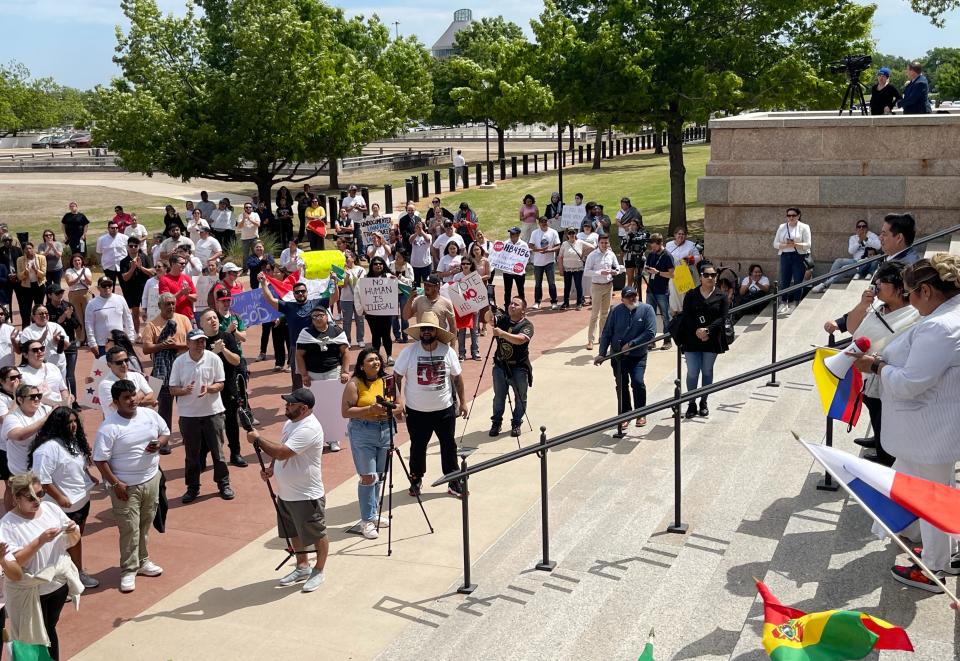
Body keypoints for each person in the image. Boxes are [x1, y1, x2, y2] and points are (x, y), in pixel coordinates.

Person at [852, 254, 960, 593]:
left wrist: (877, 368)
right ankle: (948, 550)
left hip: (929, 430)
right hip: (935, 428)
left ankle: (934, 567)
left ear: (926, 291)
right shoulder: (949, 317)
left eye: (912, 293)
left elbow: (912, 382)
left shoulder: (938, 327)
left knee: (929, 498)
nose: (910, 301)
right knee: (934, 492)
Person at [245, 388, 329, 593]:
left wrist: (258, 439)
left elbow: (283, 452)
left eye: (291, 404)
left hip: (307, 494)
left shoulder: (309, 428)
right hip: (286, 493)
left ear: (304, 408)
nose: (286, 405)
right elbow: (282, 448)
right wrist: (272, 469)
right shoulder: (291, 422)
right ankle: (302, 566)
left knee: (317, 533)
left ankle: (318, 570)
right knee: (293, 531)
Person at [93, 379, 168, 593]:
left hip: (151, 479)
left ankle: (143, 561)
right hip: (125, 487)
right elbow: (100, 459)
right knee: (129, 529)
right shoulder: (108, 428)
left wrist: (159, 444)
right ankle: (128, 570)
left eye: (133, 395)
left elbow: (165, 432)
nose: (132, 400)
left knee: (145, 524)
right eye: (126, 398)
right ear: (116, 402)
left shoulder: (149, 415)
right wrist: (115, 483)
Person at [840, 261, 919, 466]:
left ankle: (886, 458)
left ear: (899, 287)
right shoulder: (877, 306)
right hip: (868, 374)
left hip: (889, 376)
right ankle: (879, 442)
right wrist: (862, 305)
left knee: (885, 419)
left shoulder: (914, 314)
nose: (876, 285)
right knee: (876, 415)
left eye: (882, 281)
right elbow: (852, 327)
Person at [0, 471, 81, 660]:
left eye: (41, 494)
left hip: (57, 586)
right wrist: (41, 540)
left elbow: (71, 540)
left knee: (49, 628)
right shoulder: (7, 525)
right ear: (16, 497)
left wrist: (72, 529)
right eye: (31, 497)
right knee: (35, 636)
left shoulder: (51, 509)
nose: (38, 501)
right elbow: (14, 565)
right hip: (31, 592)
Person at [393, 312, 468, 498]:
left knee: (448, 445)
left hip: (445, 410)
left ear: (437, 331)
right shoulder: (409, 352)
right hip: (417, 412)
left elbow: (457, 378)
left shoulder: (447, 351)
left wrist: (463, 402)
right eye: (423, 329)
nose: (426, 332)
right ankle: (416, 479)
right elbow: (396, 376)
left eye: (430, 329)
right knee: (417, 447)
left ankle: (452, 480)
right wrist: (398, 401)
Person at [27, 406, 99, 588]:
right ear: (58, 425)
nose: (73, 426)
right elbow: (42, 479)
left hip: (81, 501)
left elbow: (78, 465)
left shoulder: (73, 441)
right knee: (58, 543)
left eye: (75, 422)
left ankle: (77, 573)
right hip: (61, 507)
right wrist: (59, 497)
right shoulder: (47, 449)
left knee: (75, 538)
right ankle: (60, 582)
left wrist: (88, 477)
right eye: (69, 423)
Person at [169, 328, 234, 502]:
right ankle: (192, 487)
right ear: (188, 343)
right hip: (188, 415)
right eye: (197, 341)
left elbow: (220, 383)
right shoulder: (179, 362)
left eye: (203, 341)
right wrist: (184, 391)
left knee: (218, 453)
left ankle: (224, 484)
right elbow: (172, 389)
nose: (201, 344)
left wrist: (209, 389)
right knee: (192, 454)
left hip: (213, 413)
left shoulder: (213, 359)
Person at [340, 349, 392, 539]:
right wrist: (370, 409)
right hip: (363, 431)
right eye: (370, 360)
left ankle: (374, 513)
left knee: (379, 475)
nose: (375, 362)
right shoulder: (354, 384)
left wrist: (390, 411)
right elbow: (345, 412)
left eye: (377, 359)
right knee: (368, 477)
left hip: (385, 430)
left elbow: (400, 405)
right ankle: (367, 520)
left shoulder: (388, 381)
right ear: (362, 365)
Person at [595, 286, 657, 432]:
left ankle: (640, 412)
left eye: (634, 295)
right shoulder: (615, 311)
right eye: (629, 297)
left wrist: (632, 344)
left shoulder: (647, 309)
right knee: (621, 385)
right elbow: (607, 333)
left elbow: (650, 332)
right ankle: (625, 414)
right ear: (622, 299)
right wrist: (602, 353)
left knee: (638, 382)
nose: (632, 298)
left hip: (638, 356)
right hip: (618, 357)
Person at [678, 262, 729, 419]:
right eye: (706, 275)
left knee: (707, 371)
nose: (710, 278)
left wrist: (707, 330)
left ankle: (703, 402)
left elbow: (722, 317)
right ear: (700, 277)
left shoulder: (722, 296)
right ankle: (691, 402)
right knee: (693, 371)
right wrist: (697, 330)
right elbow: (686, 316)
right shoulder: (691, 294)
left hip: (711, 339)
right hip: (691, 339)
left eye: (713, 275)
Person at [296, 305, 350, 452]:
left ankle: (334, 438)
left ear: (327, 316)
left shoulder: (337, 331)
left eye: (321, 315)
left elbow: (345, 353)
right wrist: (304, 374)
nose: (318, 319)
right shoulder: (306, 333)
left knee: (333, 406)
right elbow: (299, 355)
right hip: (313, 375)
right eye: (314, 317)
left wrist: (345, 371)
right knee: (314, 407)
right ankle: (316, 439)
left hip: (333, 372)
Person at [198, 308, 247, 467]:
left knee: (232, 422)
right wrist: (213, 352)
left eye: (214, 318)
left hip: (228, 388)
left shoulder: (227, 337)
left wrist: (223, 349)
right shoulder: (200, 342)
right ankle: (202, 457)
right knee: (207, 425)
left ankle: (235, 453)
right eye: (208, 319)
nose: (213, 321)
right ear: (201, 324)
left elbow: (236, 360)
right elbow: (198, 365)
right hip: (208, 390)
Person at [141, 293, 192, 438]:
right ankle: (164, 438)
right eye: (167, 304)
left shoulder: (184, 319)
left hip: (184, 369)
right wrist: (162, 345)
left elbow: (191, 342)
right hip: (163, 372)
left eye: (172, 303)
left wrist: (177, 345)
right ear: (159, 306)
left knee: (186, 405)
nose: (171, 307)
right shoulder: (152, 325)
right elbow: (146, 349)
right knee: (164, 407)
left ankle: (187, 435)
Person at [484, 297, 534, 438]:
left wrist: (502, 334)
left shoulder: (527, 325)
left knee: (520, 397)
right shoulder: (503, 320)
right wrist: (490, 309)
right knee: (498, 397)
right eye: (511, 303)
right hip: (500, 365)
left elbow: (520, 340)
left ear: (523, 310)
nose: (512, 306)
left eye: (516, 304)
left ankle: (516, 422)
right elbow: (488, 319)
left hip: (519, 367)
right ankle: (496, 422)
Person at [812, 220, 882, 293]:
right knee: (838, 261)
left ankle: (824, 284)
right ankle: (828, 281)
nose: (861, 228)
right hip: (856, 261)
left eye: (863, 226)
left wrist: (866, 239)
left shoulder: (872, 236)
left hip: (867, 263)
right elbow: (851, 251)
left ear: (867, 228)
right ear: (856, 229)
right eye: (859, 227)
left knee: (845, 268)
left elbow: (879, 246)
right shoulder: (853, 238)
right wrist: (859, 241)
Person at [583, 234, 624, 350]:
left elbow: (617, 267)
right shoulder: (592, 255)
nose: (604, 245)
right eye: (602, 243)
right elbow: (586, 271)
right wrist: (599, 272)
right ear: (598, 243)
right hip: (596, 286)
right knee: (594, 314)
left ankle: (602, 336)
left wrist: (615, 271)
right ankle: (590, 340)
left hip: (608, 285)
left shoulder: (611, 254)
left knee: (605, 314)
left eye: (606, 243)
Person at [2, 384, 53, 476]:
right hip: (21, 472)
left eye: (39, 396)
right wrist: (46, 419)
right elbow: (19, 435)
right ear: (20, 399)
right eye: (32, 397)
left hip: (43, 467)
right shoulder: (12, 418)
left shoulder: (45, 409)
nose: (37, 399)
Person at [772, 207, 812, 315]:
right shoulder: (782, 227)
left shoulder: (804, 227)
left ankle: (795, 303)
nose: (791, 218)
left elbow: (808, 244)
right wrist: (786, 245)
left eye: (793, 215)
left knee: (798, 281)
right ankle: (783, 303)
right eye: (788, 215)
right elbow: (775, 244)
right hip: (785, 255)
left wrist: (795, 244)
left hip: (798, 256)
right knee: (784, 280)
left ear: (798, 216)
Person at [84, 276, 135, 358]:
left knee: (122, 367)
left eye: (109, 285)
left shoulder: (120, 299)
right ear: (98, 288)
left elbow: (128, 318)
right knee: (104, 369)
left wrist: (131, 337)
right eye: (104, 286)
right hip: (102, 345)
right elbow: (88, 324)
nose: (107, 288)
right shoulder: (92, 304)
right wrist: (92, 343)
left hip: (120, 343)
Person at [97, 346, 156, 416]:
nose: (124, 364)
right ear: (109, 365)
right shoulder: (105, 385)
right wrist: (142, 393)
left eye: (126, 360)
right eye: (119, 362)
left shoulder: (137, 376)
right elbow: (121, 407)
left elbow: (151, 396)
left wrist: (129, 402)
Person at [643, 233, 675, 349]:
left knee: (665, 316)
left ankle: (667, 340)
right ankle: (651, 340)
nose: (652, 246)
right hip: (650, 289)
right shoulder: (651, 254)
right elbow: (647, 268)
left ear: (660, 243)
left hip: (662, 291)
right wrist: (648, 270)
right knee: (650, 315)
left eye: (653, 244)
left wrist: (658, 272)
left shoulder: (667, 256)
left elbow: (672, 274)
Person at [19, 305, 67, 382]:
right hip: (38, 368)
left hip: (59, 365)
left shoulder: (56, 326)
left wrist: (60, 340)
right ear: (33, 317)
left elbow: (67, 346)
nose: (44, 315)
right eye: (41, 314)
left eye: (46, 313)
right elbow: (25, 350)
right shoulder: (27, 331)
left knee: (60, 389)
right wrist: (41, 339)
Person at [364, 257, 398, 365]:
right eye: (375, 264)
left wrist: (395, 281)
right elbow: (361, 294)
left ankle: (389, 356)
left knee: (386, 334)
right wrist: (364, 308)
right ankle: (376, 356)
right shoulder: (366, 278)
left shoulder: (389, 277)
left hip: (386, 312)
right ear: (371, 266)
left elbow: (398, 289)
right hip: (372, 313)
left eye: (380, 263)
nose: (378, 265)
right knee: (375, 335)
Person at [118, 237, 154, 339]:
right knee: (135, 313)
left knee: (148, 312)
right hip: (132, 290)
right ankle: (137, 333)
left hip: (145, 288)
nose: (133, 248)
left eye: (135, 246)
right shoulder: (124, 261)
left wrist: (141, 267)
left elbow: (152, 272)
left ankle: (150, 334)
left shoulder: (145, 257)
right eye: (131, 246)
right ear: (127, 247)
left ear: (138, 247)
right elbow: (125, 277)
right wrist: (132, 268)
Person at [402, 275, 457, 342]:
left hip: (440, 341)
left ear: (437, 287)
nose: (426, 287)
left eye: (429, 285)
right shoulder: (418, 300)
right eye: (425, 284)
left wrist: (453, 345)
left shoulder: (446, 303)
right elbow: (405, 316)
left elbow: (453, 326)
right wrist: (410, 299)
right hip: (422, 340)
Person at [19, 339, 69, 407]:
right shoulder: (20, 373)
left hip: (59, 410)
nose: (39, 351)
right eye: (35, 350)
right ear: (25, 355)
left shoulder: (53, 367)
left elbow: (63, 389)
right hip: (37, 412)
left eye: (42, 348)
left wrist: (66, 400)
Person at [529, 216, 561, 310]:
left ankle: (554, 302)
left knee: (552, 283)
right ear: (539, 223)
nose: (544, 223)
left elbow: (558, 246)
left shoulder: (553, 232)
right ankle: (537, 302)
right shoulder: (535, 233)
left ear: (548, 222)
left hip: (549, 262)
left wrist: (549, 250)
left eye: (545, 221)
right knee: (538, 283)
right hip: (538, 262)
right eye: (542, 222)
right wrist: (539, 250)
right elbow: (530, 245)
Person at [337, 251, 366, 349]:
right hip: (346, 299)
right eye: (344, 257)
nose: (345, 259)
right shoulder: (341, 270)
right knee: (346, 321)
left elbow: (362, 284)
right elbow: (342, 285)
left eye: (347, 257)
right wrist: (346, 275)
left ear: (353, 258)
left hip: (359, 299)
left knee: (360, 320)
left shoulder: (361, 269)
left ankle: (360, 339)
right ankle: (347, 340)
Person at [15, 242, 47, 327]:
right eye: (26, 249)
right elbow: (19, 277)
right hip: (26, 287)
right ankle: (26, 330)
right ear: (23, 250)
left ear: (33, 248)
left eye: (30, 248)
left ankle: (39, 327)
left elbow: (43, 274)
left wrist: (36, 270)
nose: (28, 250)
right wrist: (26, 271)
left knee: (39, 308)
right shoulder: (20, 260)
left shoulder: (41, 258)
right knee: (26, 310)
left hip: (39, 286)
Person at [157, 255, 197, 321]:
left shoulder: (187, 278)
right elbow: (166, 300)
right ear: (173, 264)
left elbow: (195, 297)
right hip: (172, 318)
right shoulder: (164, 280)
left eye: (185, 263)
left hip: (188, 317)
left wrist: (187, 295)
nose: (184, 265)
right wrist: (181, 293)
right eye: (181, 263)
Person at [64, 254, 92, 345]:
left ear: (82, 261)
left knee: (87, 316)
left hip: (85, 293)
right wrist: (80, 276)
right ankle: (80, 338)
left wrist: (83, 275)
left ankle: (89, 338)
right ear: (72, 262)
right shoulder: (69, 271)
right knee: (77, 317)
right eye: (75, 261)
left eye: (79, 260)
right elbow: (70, 283)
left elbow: (89, 282)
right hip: (74, 294)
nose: (77, 262)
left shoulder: (86, 270)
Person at [96, 222, 128, 291]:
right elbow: (99, 253)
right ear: (108, 229)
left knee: (125, 287)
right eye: (112, 228)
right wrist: (102, 264)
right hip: (108, 267)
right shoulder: (101, 239)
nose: (115, 229)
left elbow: (129, 251)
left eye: (116, 228)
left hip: (122, 267)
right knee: (109, 288)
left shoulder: (125, 238)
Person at [500, 227, 528, 304]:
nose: (511, 235)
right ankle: (507, 309)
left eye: (513, 233)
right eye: (510, 233)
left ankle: (522, 307)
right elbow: (501, 256)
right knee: (507, 291)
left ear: (518, 234)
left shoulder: (523, 245)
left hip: (519, 272)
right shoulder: (505, 243)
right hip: (507, 271)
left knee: (521, 290)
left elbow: (525, 259)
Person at [391, 251, 414, 343]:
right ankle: (397, 336)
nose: (397, 258)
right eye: (396, 256)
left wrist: (401, 278)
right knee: (393, 316)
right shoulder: (390, 265)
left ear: (404, 257)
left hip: (404, 293)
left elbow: (411, 280)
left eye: (399, 256)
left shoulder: (408, 267)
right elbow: (385, 276)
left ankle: (405, 335)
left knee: (405, 315)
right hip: (392, 293)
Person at [409, 221, 434, 287]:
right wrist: (416, 233)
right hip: (415, 265)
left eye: (420, 227)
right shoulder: (413, 236)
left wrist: (421, 231)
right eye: (416, 227)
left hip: (426, 265)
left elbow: (428, 240)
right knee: (416, 284)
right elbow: (410, 241)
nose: (418, 229)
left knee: (427, 283)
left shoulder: (428, 235)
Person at [237, 201, 261, 265]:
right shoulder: (241, 215)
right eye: (246, 207)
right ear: (244, 208)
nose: (248, 208)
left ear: (252, 208)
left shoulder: (255, 214)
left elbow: (258, 224)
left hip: (254, 238)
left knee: (256, 253)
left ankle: (256, 267)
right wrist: (244, 219)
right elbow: (239, 226)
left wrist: (250, 219)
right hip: (245, 239)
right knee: (245, 255)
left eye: (249, 207)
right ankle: (245, 269)